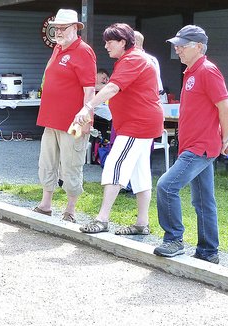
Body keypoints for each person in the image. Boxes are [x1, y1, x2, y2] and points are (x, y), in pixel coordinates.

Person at [153, 25, 228, 264]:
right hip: (195, 144)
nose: (177, 49)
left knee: (166, 186)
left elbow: (226, 109)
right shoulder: (191, 71)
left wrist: (224, 139)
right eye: (176, 45)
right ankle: (208, 251)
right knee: (203, 200)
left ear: (199, 47)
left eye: (182, 45)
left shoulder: (207, 71)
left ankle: (174, 239)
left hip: (200, 147)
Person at [74, 23, 163, 235]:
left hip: (137, 124)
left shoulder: (133, 59)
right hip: (142, 123)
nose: (105, 46)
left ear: (123, 42)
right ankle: (142, 223)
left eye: (109, 42)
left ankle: (102, 219)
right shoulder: (133, 58)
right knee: (140, 173)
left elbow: (113, 87)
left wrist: (88, 107)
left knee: (115, 165)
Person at [33, 9, 97, 222]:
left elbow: (89, 89)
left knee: (71, 164)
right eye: (56, 28)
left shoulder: (84, 51)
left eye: (63, 27)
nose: (58, 32)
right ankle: (46, 204)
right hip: (51, 119)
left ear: (75, 28)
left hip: (74, 122)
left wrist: (88, 117)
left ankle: (70, 210)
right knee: (47, 162)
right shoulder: (58, 49)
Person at [134, 31, 167, 103]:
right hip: (159, 96)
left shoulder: (137, 59)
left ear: (134, 43)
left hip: (146, 99)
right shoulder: (152, 58)